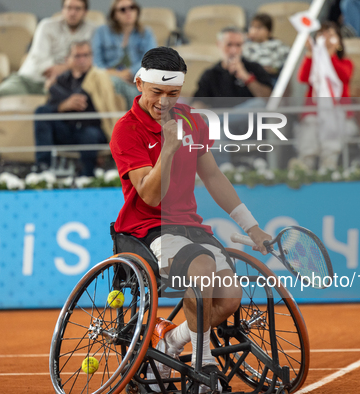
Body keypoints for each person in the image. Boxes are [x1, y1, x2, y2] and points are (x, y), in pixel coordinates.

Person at [110, 46, 272, 392]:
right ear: (139, 83)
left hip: (189, 226)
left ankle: (169, 340)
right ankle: (205, 365)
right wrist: (168, 147)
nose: (164, 102)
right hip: (147, 229)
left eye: (173, 93)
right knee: (201, 269)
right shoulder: (126, 131)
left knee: (229, 298)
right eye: (157, 92)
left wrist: (252, 227)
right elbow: (150, 196)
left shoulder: (193, 121)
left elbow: (213, 177)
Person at [34, 40, 120, 176]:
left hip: (93, 129)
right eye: (77, 56)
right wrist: (63, 106)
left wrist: (53, 88)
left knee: (89, 134)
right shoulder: (62, 79)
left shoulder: (98, 77)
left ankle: (87, 175)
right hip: (67, 129)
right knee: (42, 112)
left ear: (92, 57)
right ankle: (43, 167)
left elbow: (81, 101)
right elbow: (52, 106)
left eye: (86, 55)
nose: (82, 60)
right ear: (67, 59)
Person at [0, 0, 96, 110]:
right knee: (3, 91)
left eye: (77, 9)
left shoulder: (93, 31)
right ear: (62, 10)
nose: (72, 13)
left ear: (85, 12)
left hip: (67, 85)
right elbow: (40, 61)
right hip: (31, 80)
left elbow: (93, 63)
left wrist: (67, 67)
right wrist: (72, 66)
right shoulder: (46, 26)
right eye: (68, 8)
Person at [295, 21, 358, 171]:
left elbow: (343, 76)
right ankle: (305, 165)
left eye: (331, 35)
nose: (326, 39)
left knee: (333, 130)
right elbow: (303, 78)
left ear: (339, 42)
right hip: (314, 112)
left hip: (339, 113)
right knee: (310, 128)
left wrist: (329, 55)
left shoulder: (346, 63)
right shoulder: (312, 60)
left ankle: (329, 166)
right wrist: (311, 54)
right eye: (322, 35)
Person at [91, 0, 156, 107]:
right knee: (114, 83)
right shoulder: (101, 32)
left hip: (136, 79)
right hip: (108, 78)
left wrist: (130, 72)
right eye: (123, 9)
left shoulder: (146, 33)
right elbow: (96, 62)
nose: (128, 12)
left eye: (132, 8)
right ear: (115, 15)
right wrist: (116, 74)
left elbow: (151, 60)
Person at [194, 26, 273, 100]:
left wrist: (246, 77)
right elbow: (198, 103)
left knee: (258, 103)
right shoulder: (211, 74)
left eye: (238, 45)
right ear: (219, 45)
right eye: (229, 45)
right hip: (221, 114)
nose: (233, 51)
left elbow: (269, 99)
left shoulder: (255, 68)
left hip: (249, 113)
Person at [243, 13, 290, 80]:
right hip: (252, 78)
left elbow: (289, 64)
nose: (254, 30)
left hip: (272, 77)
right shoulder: (245, 45)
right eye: (252, 27)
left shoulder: (278, 45)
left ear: (269, 31)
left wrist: (276, 70)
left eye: (259, 27)